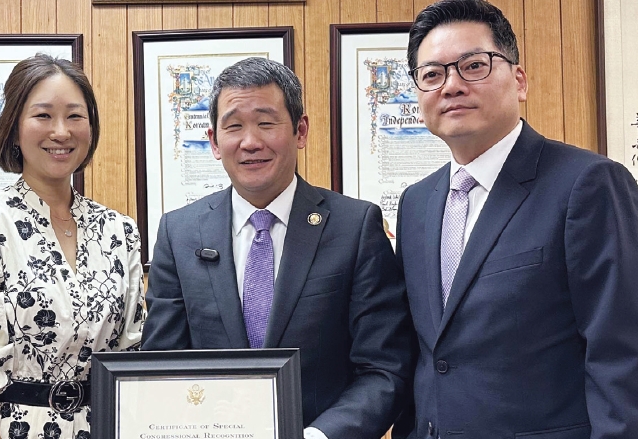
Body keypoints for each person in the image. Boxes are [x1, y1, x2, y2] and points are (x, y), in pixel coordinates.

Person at [396, 1, 638, 437]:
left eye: (473, 66)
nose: (451, 85)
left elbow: (622, 354)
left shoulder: (588, 184)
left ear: (519, 80)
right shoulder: (416, 202)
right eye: (432, 74)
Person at [141, 57, 414, 439]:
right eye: (233, 126)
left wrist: (317, 436)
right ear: (214, 142)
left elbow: (385, 367)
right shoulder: (180, 233)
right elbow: (162, 366)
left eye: (266, 123)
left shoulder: (355, 227)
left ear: (300, 131)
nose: (251, 142)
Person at [0, 54, 146, 439]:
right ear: (15, 127)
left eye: (74, 116)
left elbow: (131, 353)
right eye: (43, 116)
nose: (61, 131)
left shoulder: (118, 231)